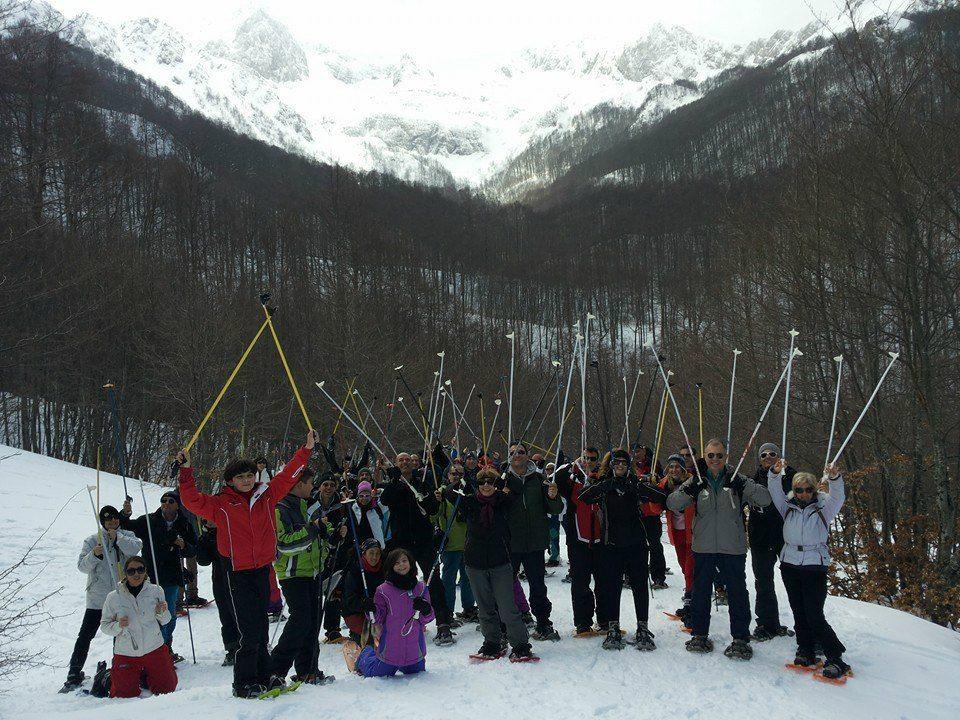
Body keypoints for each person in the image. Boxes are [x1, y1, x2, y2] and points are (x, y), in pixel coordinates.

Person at [177, 430, 317, 698]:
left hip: (262, 569)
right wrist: (186, 471)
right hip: (237, 573)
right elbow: (191, 499)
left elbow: (289, 475)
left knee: (261, 628)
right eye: (240, 477)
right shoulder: (221, 504)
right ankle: (243, 683)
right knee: (249, 631)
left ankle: (265, 677)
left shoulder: (266, 495)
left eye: (249, 476)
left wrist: (306, 449)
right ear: (230, 481)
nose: (246, 480)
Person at [667, 438, 771, 660]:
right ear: (705, 457)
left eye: (719, 455)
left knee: (736, 592)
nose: (715, 460)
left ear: (726, 457)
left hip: (732, 546)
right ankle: (699, 634)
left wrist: (744, 486)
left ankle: (741, 637)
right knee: (701, 591)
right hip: (703, 546)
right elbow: (673, 503)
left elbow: (765, 499)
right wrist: (690, 487)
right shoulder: (697, 480)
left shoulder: (737, 479)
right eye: (710, 455)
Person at [768, 459, 850, 679]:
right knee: (798, 610)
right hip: (790, 563)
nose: (803, 494)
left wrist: (834, 477)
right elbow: (774, 490)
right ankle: (805, 648)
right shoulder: (788, 506)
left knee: (814, 613)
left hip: (815, 563)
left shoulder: (824, 507)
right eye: (798, 490)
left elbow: (838, 496)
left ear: (814, 489)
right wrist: (775, 474)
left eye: (807, 490)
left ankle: (835, 656)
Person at [581, 448, 667, 651]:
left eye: (624, 463)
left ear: (629, 466)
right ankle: (613, 627)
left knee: (639, 586)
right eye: (616, 463)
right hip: (611, 546)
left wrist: (637, 486)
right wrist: (607, 484)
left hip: (636, 544)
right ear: (610, 465)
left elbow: (659, 496)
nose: (620, 466)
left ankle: (643, 628)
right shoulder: (604, 485)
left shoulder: (634, 484)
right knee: (612, 587)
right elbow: (584, 497)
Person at [447, 466, 537, 661]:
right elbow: (448, 493)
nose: (486, 486)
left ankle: (520, 644)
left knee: (507, 607)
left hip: (500, 562)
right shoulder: (469, 502)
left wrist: (504, 479)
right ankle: (492, 642)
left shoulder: (503, 502)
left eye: (490, 482)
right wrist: (465, 478)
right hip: (475, 562)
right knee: (485, 606)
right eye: (482, 482)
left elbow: (517, 490)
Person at [62, 505, 143, 691]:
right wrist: (94, 555)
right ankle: (74, 672)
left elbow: (135, 549)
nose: (112, 523)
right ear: (103, 523)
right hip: (97, 598)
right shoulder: (92, 541)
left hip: (120, 597)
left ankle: (121, 668)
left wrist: (119, 539)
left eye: (115, 519)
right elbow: (82, 566)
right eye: (108, 520)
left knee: (121, 633)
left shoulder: (127, 535)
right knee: (86, 635)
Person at [380, 451, 454, 645]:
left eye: (407, 460)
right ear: (396, 464)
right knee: (402, 581)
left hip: (423, 539)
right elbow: (386, 499)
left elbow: (432, 508)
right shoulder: (394, 483)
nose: (404, 463)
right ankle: (403, 620)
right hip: (401, 541)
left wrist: (431, 499)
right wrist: (394, 479)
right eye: (400, 460)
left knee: (433, 579)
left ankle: (443, 622)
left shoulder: (421, 482)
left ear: (414, 464)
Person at [270, 466, 334, 685]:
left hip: (312, 571)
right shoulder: (281, 509)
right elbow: (284, 543)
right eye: (309, 483)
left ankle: (308, 669)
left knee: (313, 621)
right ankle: (275, 669)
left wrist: (329, 536)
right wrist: (314, 529)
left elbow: (316, 538)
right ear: (298, 485)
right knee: (300, 620)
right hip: (293, 573)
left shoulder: (307, 506)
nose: (312, 487)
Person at [120, 491, 197, 662]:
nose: (166, 503)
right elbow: (126, 525)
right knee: (149, 613)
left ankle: (165, 648)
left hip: (171, 576)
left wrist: (184, 545)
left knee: (168, 612)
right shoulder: (149, 520)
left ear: (177, 505)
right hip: (149, 575)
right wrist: (125, 512)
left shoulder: (185, 524)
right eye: (163, 501)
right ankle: (152, 650)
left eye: (171, 501)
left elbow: (193, 549)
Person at [503, 442, 563, 641]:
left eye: (520, 452)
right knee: (505, 585)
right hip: (510, 543)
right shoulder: (503, 480)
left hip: (535, 543)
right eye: (512, 453)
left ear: (527, 456)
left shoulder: (539, 478)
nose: (516, 455)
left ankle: (544, 622)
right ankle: (505, 626)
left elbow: (554, 509)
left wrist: (554, 497)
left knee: (538, 586)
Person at [99, 555, 178, 698]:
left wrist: (162, 612)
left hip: (154, 647)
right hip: (126, 652)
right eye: (131, 571)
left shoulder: (156, 591)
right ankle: (107, 676)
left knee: (168, 690)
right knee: (124, 695)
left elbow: (166, 620)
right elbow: (104, 626)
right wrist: (118, 626)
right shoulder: (113, 597)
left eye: (140, 570)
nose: (136, 574)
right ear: (125, 574)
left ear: (145, 571)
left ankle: (144, 675)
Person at [351, 548, 434, 677]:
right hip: (390, 652)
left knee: (418, 674)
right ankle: (366, 654)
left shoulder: (421, 588)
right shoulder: (383, 590)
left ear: (411, 563)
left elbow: (426, 618)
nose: (401, 565)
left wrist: (426, 609)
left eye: (404, 561)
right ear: (391, 566)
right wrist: (371, 609)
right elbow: (377, 618)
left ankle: (405, 664)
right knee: (374, 673)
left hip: (414, 652)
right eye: (396, 563)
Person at [553, 447, 605, 635]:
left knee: (603, 582)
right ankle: (583, 622)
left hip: (601, 540)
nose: (589, 462)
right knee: (580, 582)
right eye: (586, 458)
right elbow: (557, 479)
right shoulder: (572, 482)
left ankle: (605, 620)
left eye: (592, 459)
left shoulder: (602, 479)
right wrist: (572, 465)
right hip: (578, 539)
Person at [749, 442, 795, 641]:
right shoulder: (753, 480)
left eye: (772, 453)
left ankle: (807, 625)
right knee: (764, 582)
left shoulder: (792, 476)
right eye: (764, 454)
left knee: (794, 582)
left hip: (786, 536)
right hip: (760, 537)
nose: (768, 457)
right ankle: (768, 623)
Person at [435, 464, 477, 625]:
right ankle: (448, 612)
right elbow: (434, 514)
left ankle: (469, 607)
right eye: (454, 473)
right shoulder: (443, 492)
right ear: (448, 475)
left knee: (468, 578)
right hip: (451, 543)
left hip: (467, 542)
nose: (457, 476)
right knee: (449, 580)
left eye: (461, 473)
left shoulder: (468, 490)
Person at [196, 517, 239, 666]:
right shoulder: (207, 537)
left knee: (241, 611)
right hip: (220, 578)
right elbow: (203, 560)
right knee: (226, 613)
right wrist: (205, 539)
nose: (209, 522)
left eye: (211, 519)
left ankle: (252, 643)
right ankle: (232, 647)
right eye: (205, 520)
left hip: (238, 575)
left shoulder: (231, 530)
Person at [662, 454, 695, 619]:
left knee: (690, 569)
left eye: (677, 467)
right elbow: (654, 507)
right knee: (684, 567)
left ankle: (690, 600)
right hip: (677, 532)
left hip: (693, 533)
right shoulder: (666, 485)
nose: (674, 470)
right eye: (671, 467)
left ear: (683, 469)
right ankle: (693, 593)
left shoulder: (691, 483)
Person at [633, 444, 668, 589]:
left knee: (654, 545)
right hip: (635, 512)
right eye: (634, 451)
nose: (636, 454)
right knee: (636, 546)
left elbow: (661, 482)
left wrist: (653, 479)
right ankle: (633, 575)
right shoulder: (629, 466)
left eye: (639, 451)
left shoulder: (654, 464)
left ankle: (658, 576)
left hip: (651, 512)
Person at [341, 539, 386, 642]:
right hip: (357, 613)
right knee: (369, 640)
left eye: (377, 553)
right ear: (364, 554)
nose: (374, 557)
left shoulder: (384, 568)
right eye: (371, 553)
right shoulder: (354, 571)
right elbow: (349, 601)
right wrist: (363, 604)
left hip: (378, 611)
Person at [346, 479, 390, 548]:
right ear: (358, 496)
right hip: (359, 547)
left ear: (371, 495)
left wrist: (379, 491)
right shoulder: (353, 508)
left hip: (376, 546)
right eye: (361, 496)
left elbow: (389, 496)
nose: (364, 498)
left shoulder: (378, 507)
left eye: (367, 496)